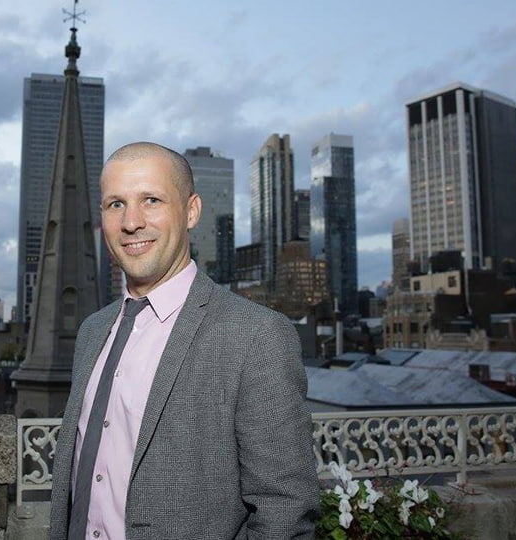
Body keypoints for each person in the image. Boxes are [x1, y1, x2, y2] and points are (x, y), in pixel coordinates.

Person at [49, 142, 319, 540]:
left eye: (151, 200)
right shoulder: (92, 331)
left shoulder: (256, 336)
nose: (131, 222)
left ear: (191, 211)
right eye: (116, 204)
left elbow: (285, 509)